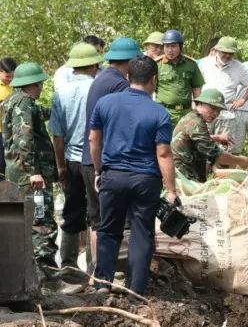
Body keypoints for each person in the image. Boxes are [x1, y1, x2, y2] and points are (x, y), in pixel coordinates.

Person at [89, 55, 179, 297]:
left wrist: (99, 170)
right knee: (141, 234)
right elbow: (164, 154)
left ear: (128, 77)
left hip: (113, 176)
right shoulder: (159, 112)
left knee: (108, 230)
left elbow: (94, 140)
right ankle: (135, 292)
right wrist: (171, 191)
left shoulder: (105, 104)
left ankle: (102, 284)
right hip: (145, 181)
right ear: (154, 80)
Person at [79, 37, 139, 277]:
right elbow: (122, 129)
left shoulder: (102, 79)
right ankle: (115, 275)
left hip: (89, 159)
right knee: (115, 223)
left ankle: (98, 274)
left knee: (98, 221)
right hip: (104, 162)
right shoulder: (119, 86)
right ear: (131, 61)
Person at [49, 41, 102, 273]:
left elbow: (58, 137)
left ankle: (68, 264)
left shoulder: (61, 93)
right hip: (93, 159)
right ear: (93, 66)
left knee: (72, 210)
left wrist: (60, 166)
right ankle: (95, 268)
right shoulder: (100, 89)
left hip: (70, 158)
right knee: (96, 214)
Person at [0, 62, 59, 271]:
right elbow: (24, 140)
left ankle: (28, 272)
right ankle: (46, 275)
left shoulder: (11, 101)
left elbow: (38, 114)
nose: (42, 88)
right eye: (40, 84)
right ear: (32, 84)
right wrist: (34, 172)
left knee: (26, 221)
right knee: (42, 223)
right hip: (32, 178)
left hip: (17, 174)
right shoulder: (24, 103)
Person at [171, 89, 248, 182]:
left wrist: (217, 138)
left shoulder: (192, 117)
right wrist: (241, 160)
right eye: (213, 108)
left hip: (182, 175)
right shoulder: (196, 123)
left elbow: (190, 139)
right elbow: (216, 155)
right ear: (200, 103)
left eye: (219, 110)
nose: (216, 113)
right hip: (184, 179)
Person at [197, 36, 248, 150]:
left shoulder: (239, 67)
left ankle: (221, 168)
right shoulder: (204, 63)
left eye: (230, 53)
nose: (227, 56)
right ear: (216, 50)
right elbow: (195, 84)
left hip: (226, 114)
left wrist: (242, 100)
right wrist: (196, 103)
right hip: (205, 113)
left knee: (223, 150)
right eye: (224, 52)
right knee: (202, 145)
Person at [155, 30, 204, 124]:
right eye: (167, 46)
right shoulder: (157, 65)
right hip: (163, 112)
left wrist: (197, 111)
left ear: (180, 47)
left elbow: (196, 90)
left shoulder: (191, 64)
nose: (170, 50)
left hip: (186, 113)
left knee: (185, 138)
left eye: (173, 46)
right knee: (163, 138)